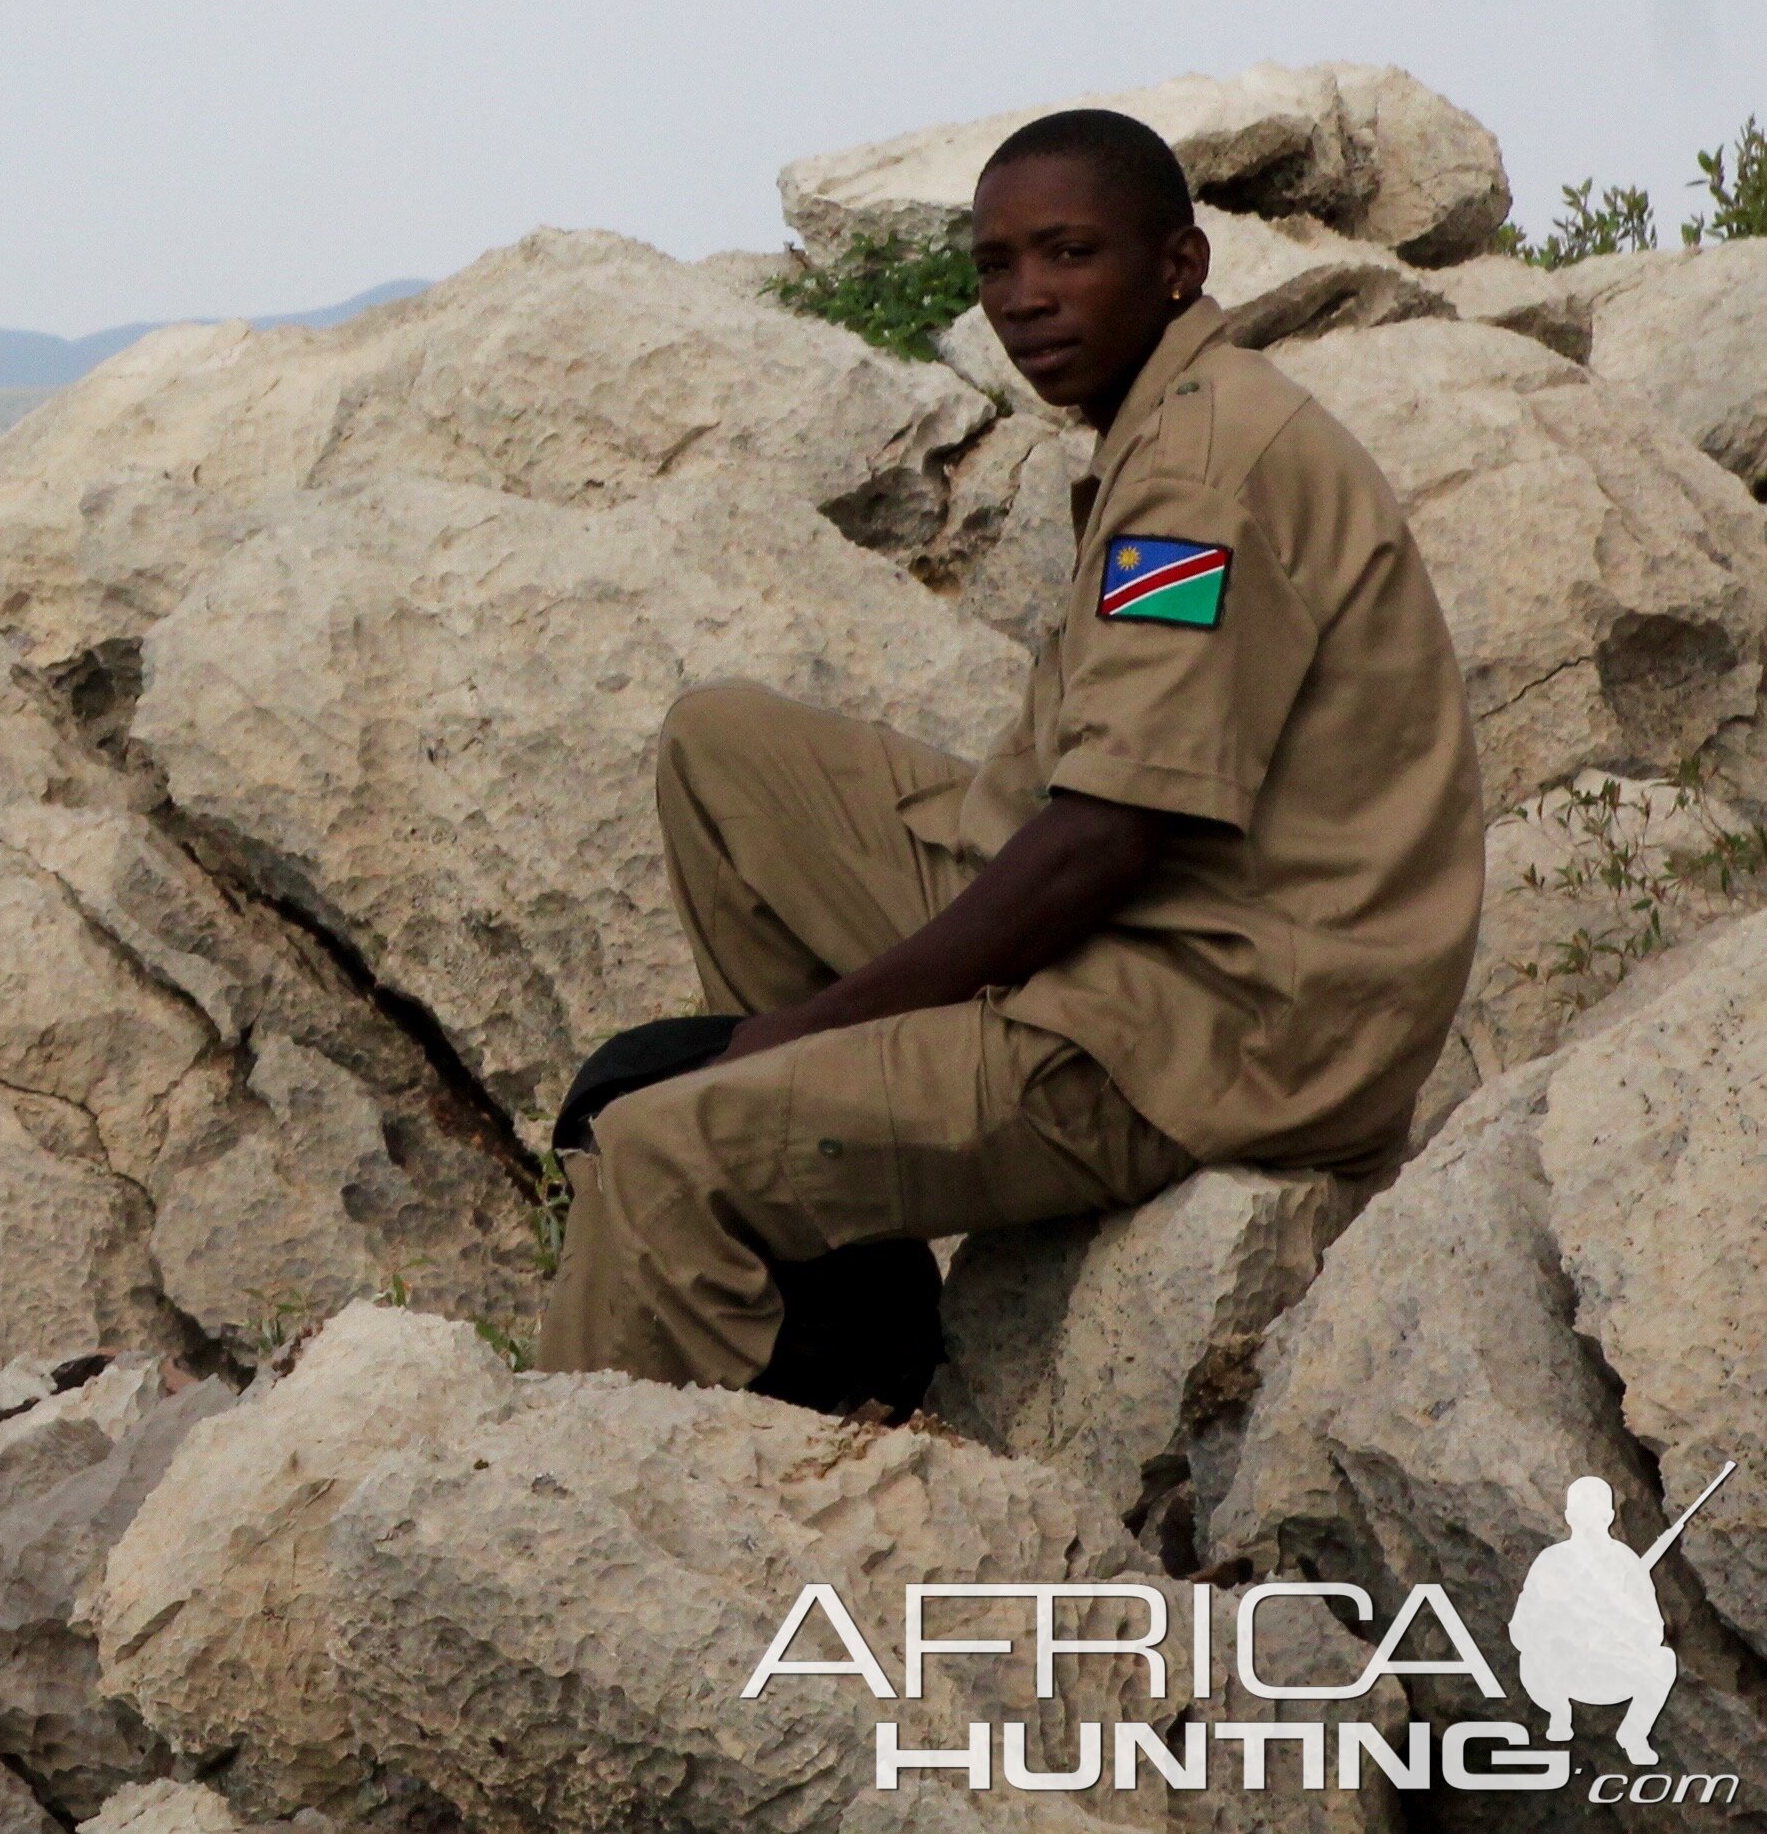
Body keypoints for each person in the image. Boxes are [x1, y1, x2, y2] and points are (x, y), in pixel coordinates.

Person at [534, 106, 1484, 1390]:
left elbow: (1107, 842)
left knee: (653, 1151)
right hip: (1146, 930)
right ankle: (844, 1273)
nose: (1025, 299)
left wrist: (802, 1035)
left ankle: (717, 1455)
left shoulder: (1201, 472)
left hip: (1212, 1027)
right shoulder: (1166, 417)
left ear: (1179, 266)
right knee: (725, 753)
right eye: (996, 266)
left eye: (1069, 254)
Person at [1512, 1476, 1682, 1765]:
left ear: (1610, 1516)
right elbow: (1521, 1627)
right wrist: (1558, 1628)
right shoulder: (1551, 1562)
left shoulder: (1626, 1563)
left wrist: (1623, 1627)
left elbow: (1653, 1629)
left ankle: (1634, 1734)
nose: (1590, 1521)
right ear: (1569, 1517)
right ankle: (1558, 1712)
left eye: (1597, 1513)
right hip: (1562, 1671)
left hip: (1612, 1670)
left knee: (1663, 1662)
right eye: (1582, 1513)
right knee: (1536, 1652)